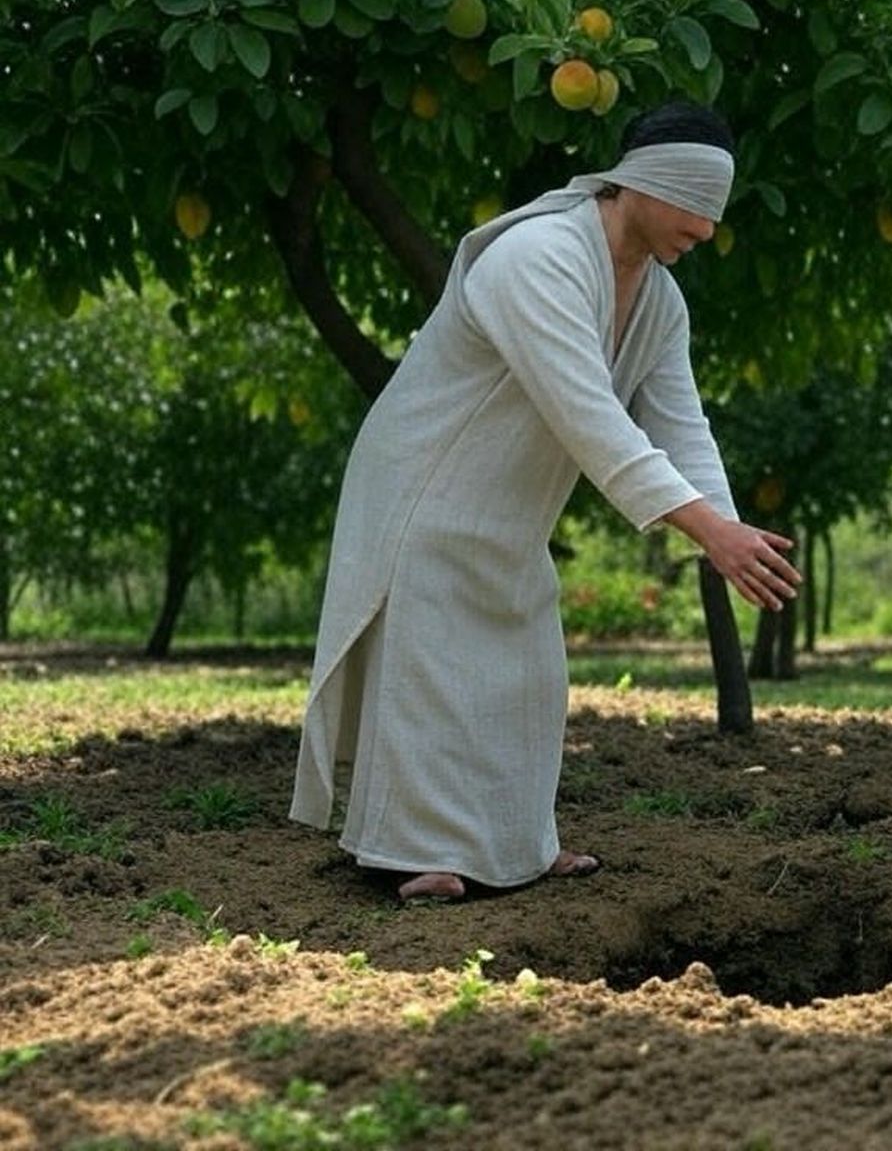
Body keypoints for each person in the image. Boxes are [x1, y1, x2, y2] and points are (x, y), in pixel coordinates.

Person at [290, 102, 802, 901]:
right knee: (430, 673)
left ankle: (519, 848)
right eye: (695, 206)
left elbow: (680, 425)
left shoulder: (661, 301)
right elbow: (588, 416)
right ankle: (415, 853)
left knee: (527, 678)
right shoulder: (536, 255)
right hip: (426, 490)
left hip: (512, 512)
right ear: (642, 183)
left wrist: (726, 532)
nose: (706, 230)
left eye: (715, 212)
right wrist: (705, 527)